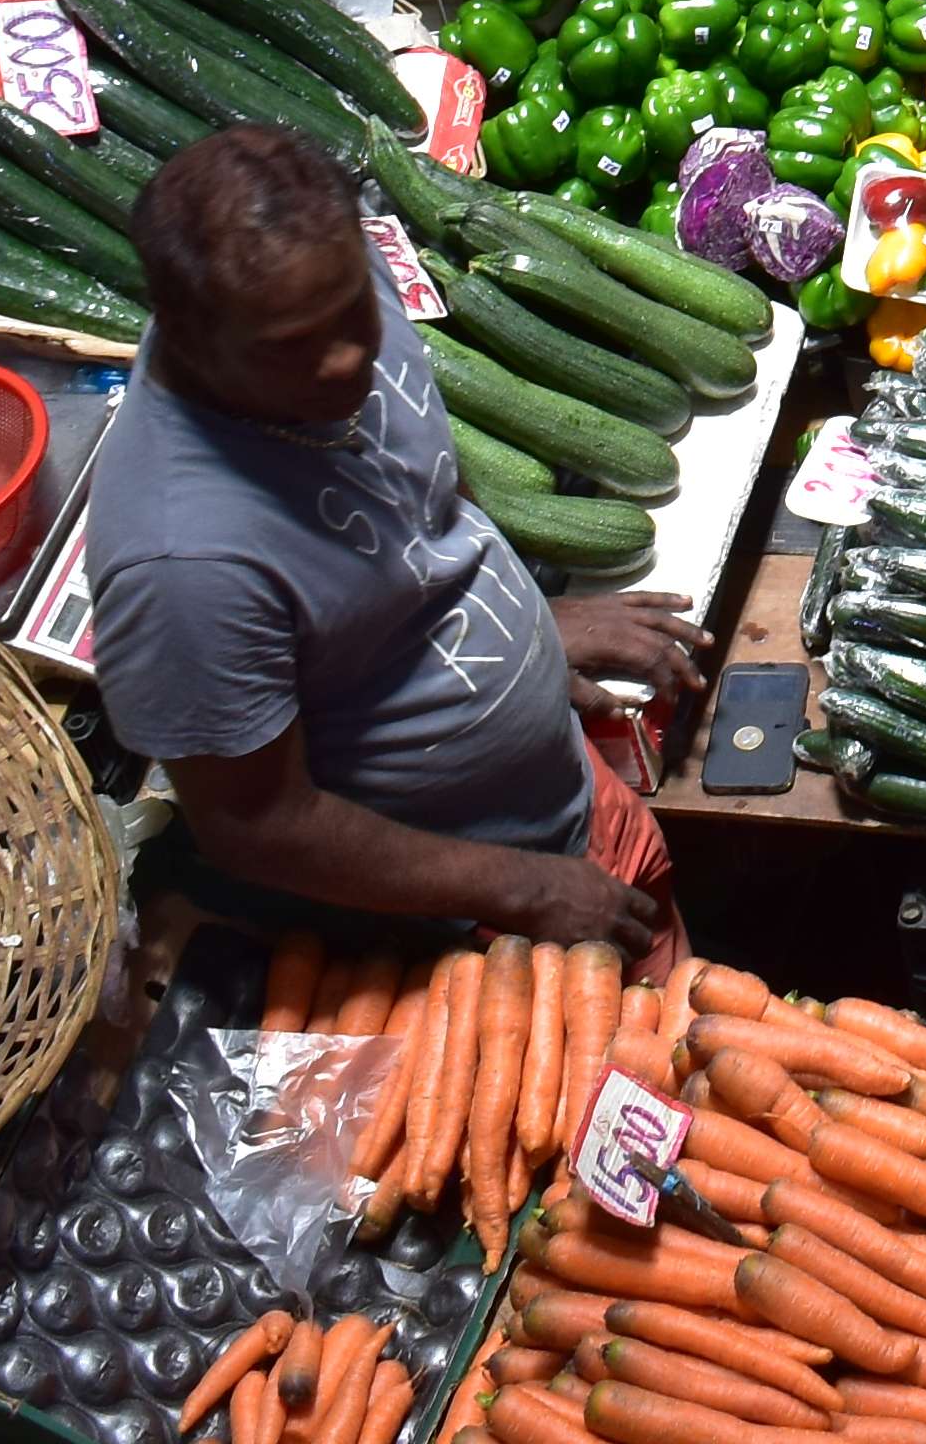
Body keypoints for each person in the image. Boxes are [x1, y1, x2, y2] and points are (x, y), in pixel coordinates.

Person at [90, 124, 697, 946]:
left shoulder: (324, 273)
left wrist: (529, 621)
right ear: (189, 334)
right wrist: (522, 889)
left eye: (352, 311)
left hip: (570, 805)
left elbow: (426, 485)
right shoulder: (184, 566)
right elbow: (257, 825)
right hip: (467, 924)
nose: (347, 362)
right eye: (293, 349)